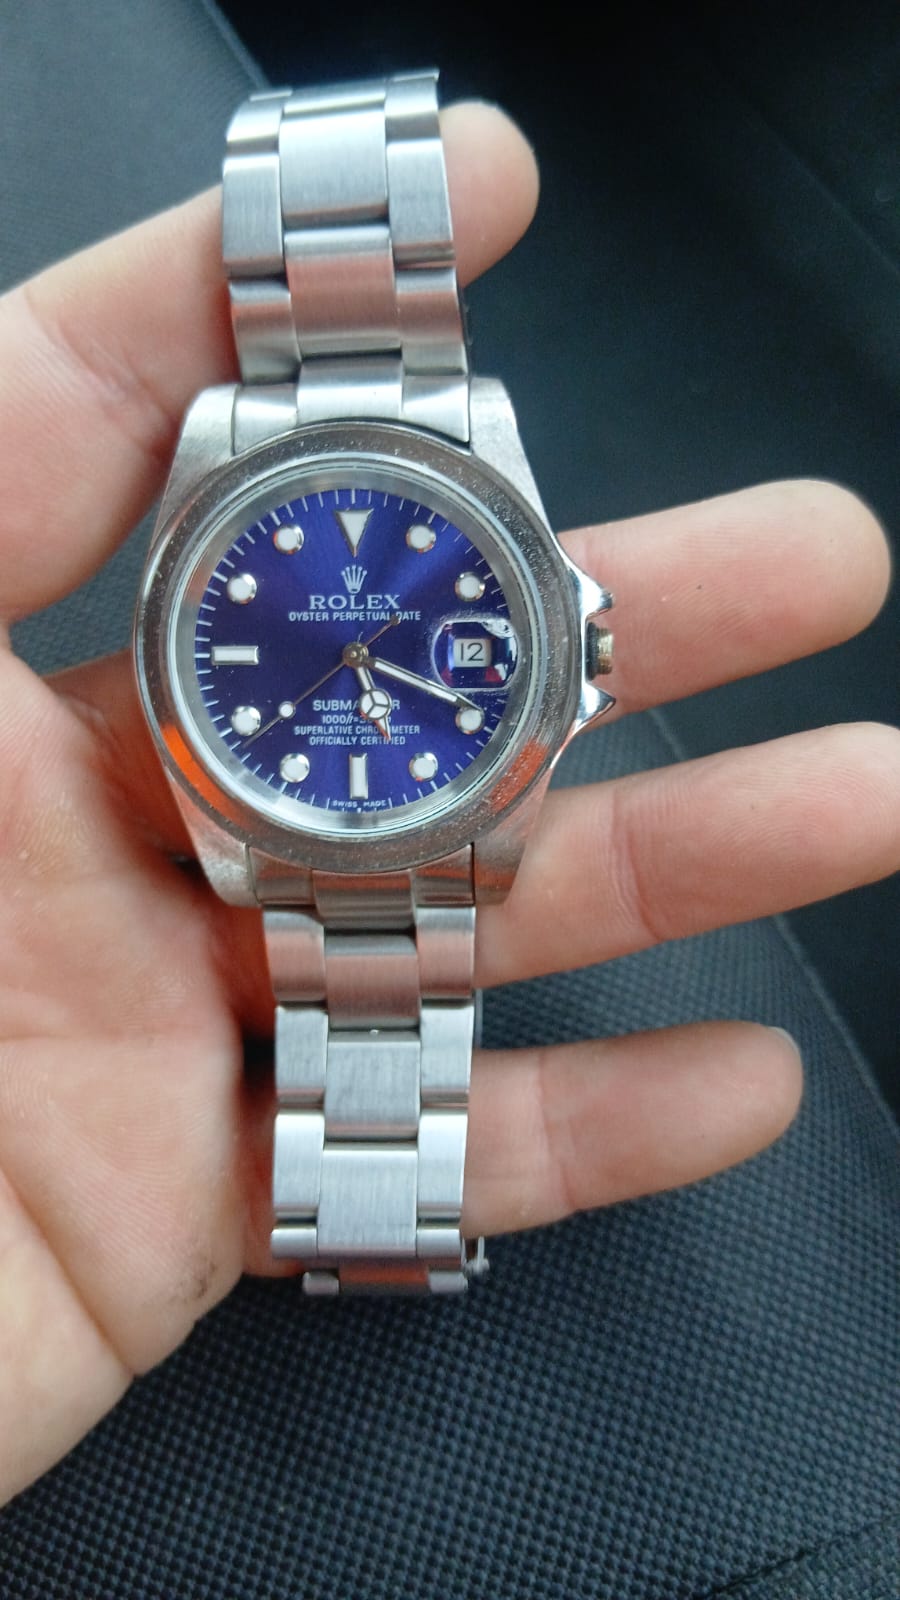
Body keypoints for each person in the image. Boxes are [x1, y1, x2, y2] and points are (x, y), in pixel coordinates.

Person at [0, 100, 897, 1509]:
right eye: (336, 640)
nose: (357, 653)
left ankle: (369, 1206)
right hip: (284, 808)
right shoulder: (252, 457)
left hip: (340, 790)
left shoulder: (451, 457)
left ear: (573, 645)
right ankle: (365, 1207)